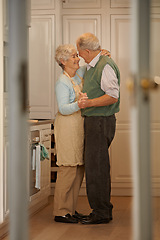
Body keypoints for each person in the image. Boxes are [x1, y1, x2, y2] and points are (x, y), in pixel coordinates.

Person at [53, 44, 110, 224]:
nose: (77, 59)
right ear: (63, 61)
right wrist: (80, 104)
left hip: (78, 126)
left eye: (77, 55)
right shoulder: (62, 82)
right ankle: (60, 212)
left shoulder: (78, 74)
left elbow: (91, 62)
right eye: (73, 56)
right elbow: (62, 108)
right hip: (67, 126)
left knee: (78, 168)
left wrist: (102, 54)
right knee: (68, 168)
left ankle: (69, 210)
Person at [76, 33, 120, 224]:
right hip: (97, 121)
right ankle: (101, 210)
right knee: (96, 167)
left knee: (97, 168)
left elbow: (113, 96)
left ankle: (101, 212)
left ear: (87, 50)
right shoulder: (95, 65)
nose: (78, 56)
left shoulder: (104, 65)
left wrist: (89, 103)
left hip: (100, 122)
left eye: (80, 53)